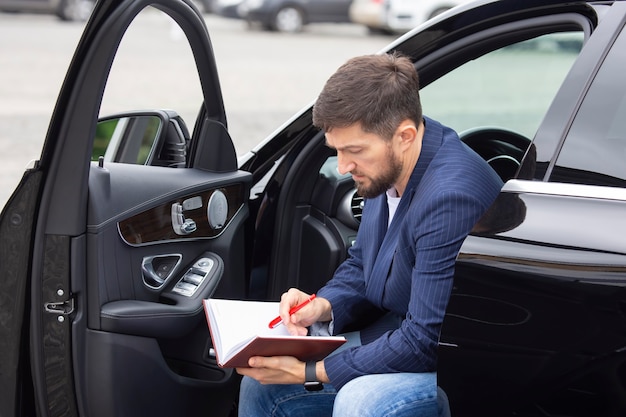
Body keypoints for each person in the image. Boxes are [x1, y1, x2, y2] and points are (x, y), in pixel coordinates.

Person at [236, 52, 503, 417]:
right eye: (337, 152)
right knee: (261, 384)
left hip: (457, 362)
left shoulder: (449, 198)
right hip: (399, 333)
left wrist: (310, 370)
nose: (344, 167)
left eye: (354, 151)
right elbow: (364, 263)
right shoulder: (389, 165)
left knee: (362, 402)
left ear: (404, 135)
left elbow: (426, 341)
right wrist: (323, 305)